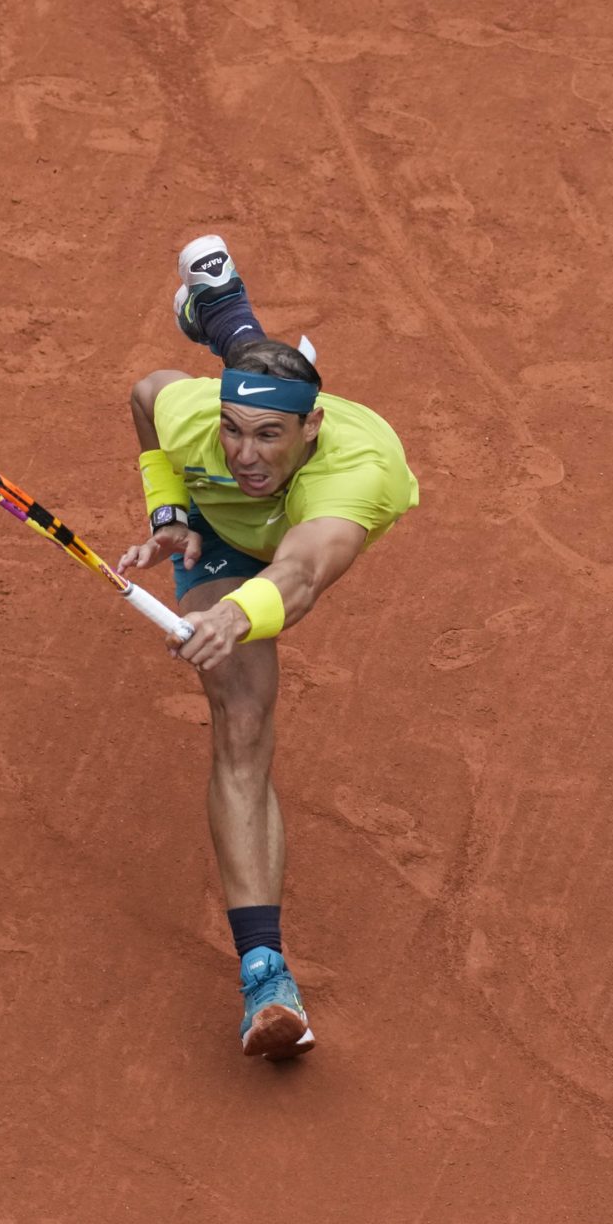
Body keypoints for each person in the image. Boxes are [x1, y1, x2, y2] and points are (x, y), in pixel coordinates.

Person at [116, 236, 420, 1058]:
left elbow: (300, 575)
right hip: (224, 536)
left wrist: (232, 616)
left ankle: (220, 313)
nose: (245, 454)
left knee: (266, 396)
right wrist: (168, 509)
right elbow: (148, 397)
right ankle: (266, 973)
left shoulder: (359, 473)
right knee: (241, 720)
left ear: (312, 428)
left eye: (268, 436)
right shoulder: (199, 425)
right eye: (233, 430)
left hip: (282, 554)